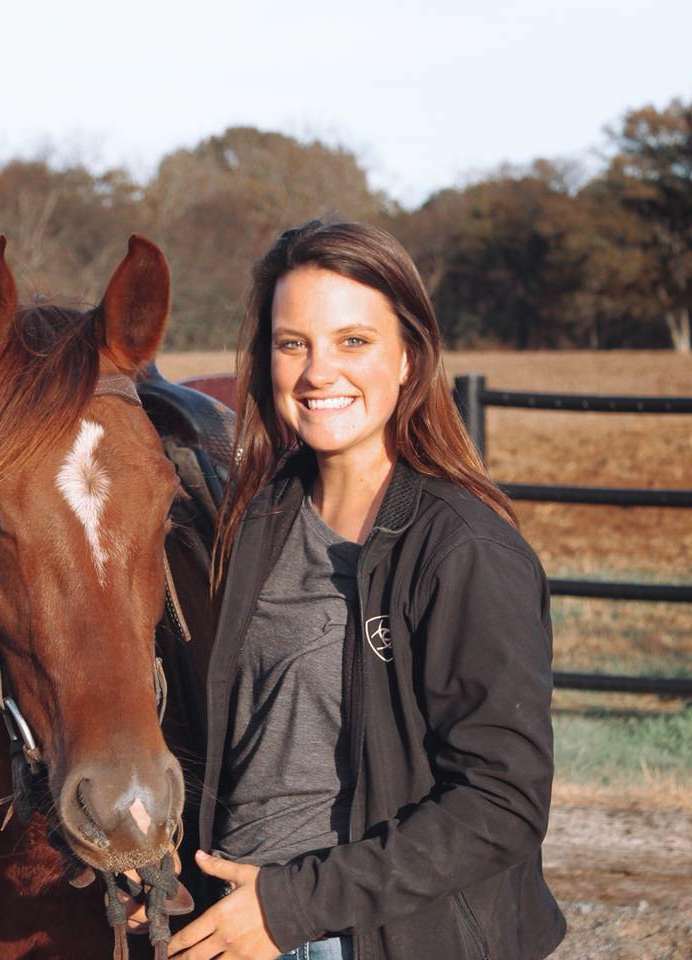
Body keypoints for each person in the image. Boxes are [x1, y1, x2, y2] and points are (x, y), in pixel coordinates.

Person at [166, 220, 566, 960]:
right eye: (294, 344)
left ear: (410, 357)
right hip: (242, 924)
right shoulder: (259, 520)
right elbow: (248, 746)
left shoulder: (462, 549)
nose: (319, 373)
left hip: (370, 937)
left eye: (353, 341)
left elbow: (503, 804)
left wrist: (292, 907)